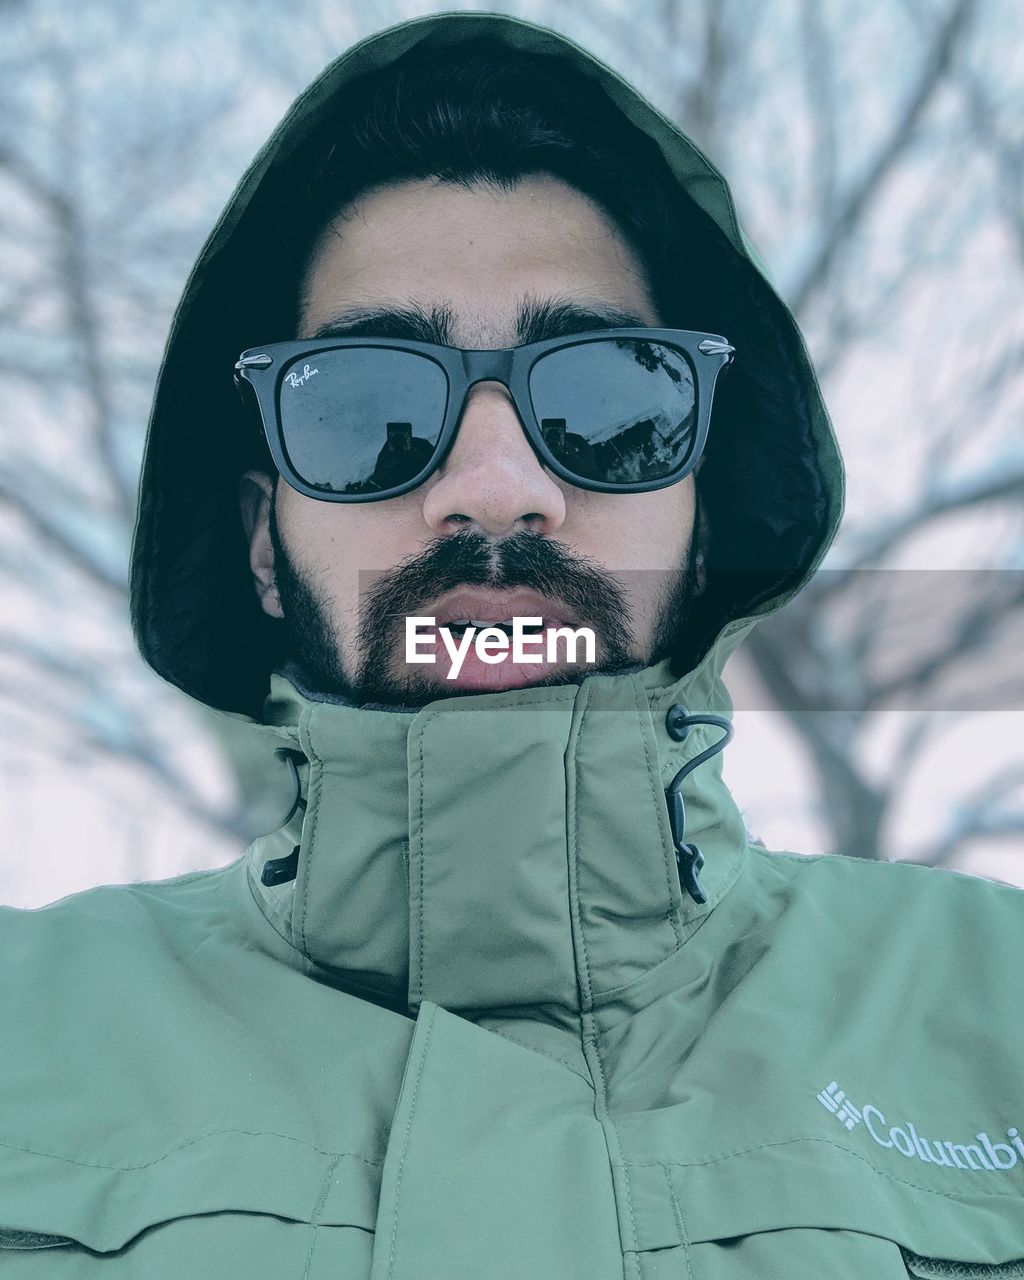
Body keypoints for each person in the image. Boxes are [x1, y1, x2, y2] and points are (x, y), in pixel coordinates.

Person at [2, 12, 1021, 1277]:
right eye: (368, 409)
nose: (494, 487)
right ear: (264, 541)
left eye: (607, 399)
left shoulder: (1000, 1001)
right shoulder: (21, 1027)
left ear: (702, 530)